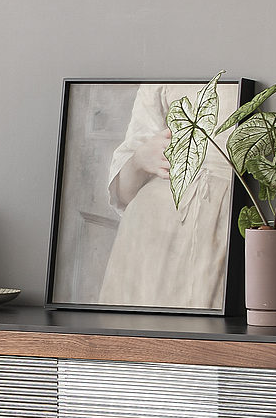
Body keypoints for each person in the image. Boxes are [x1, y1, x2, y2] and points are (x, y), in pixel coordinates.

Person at [97, 80, 238, 310]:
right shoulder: (167, 68)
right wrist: (140, 158)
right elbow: (123, 194)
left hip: (220, 226)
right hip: (146, 238)